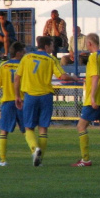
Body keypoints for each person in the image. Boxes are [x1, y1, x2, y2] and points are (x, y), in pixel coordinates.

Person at [14, 36, 79, 167]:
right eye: (52, 45)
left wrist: (17, 96)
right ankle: (39, 160)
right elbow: (62, 76)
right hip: (46, 97)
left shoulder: (27, 58)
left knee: (28, 127)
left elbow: (17, 77)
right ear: (47, 46)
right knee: (43, 128)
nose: (53, 48)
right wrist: (75, 78)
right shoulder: (51, 59)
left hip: (30, 96)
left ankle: (34, 148)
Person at [71, 33, 100, 167]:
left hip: (95, 99)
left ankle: (85, 159)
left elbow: (96, 76)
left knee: (81, 126)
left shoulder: (94, 58)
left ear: (90, 43)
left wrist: (92, 97)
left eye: (87, 43)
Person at [0, 42, 26, 166]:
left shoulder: (3, 66)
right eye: (24, 51)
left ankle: (3, 160)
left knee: (4, 131)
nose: (25, 53)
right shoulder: (24, 65)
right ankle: (35, 153)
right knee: (27, 130)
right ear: (19, 52)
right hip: (23, 101)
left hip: (8, 101)